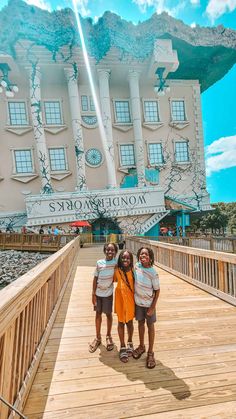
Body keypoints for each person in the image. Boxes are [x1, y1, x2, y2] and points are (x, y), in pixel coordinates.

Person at [132, 247, 160, 369]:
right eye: (141, 254)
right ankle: (142, 346)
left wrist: (152, 307)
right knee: (140, 324)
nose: (143, 256)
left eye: (146, 254)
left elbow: (157, 291)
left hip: (149, 304)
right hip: (138, 303)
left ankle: (150, 352)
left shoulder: (153, 272)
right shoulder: (137, 266)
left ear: (150, 257)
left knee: (150, 327)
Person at [89, 242, 118, 353]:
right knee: (98, 314)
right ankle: (98, 337)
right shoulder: (99, 263)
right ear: (104, 251)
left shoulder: (115, 264)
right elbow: (95, 278)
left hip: (108, 294)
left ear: (115, 252)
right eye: (108, 249)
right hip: (98, 293)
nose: (110, 252)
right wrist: (93, 294)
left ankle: (108, 336)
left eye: (112, 250)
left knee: (108, 314)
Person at [113, 250, 135, 363]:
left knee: (130, 322)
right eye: (123, 258)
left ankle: (130, 341)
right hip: (120, 299)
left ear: (131, 260)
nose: (125, 260)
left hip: (130, 300)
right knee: (121, 322)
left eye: (127, 258)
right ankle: (122, 345)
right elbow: (110, 280)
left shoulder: (134, 271)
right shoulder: (117, 270)